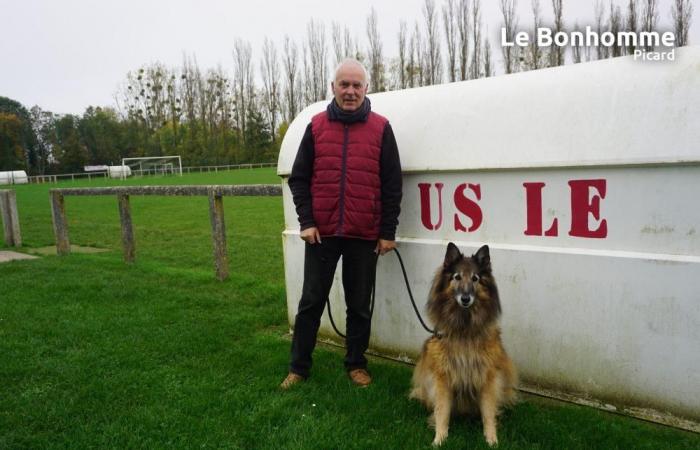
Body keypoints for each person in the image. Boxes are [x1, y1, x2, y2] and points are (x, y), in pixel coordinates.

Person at [280, 58, 402, 389]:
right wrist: (306, 221)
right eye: (344, 85)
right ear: (333, 88)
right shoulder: (316, 126)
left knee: (359, 306)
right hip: (322, 233)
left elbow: (392, 185)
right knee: (310, 303)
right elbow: (299, 178)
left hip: (364, 235)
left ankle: (356, 364)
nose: (350, 91)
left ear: (366, 88)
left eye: (356, 85)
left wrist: (387, 231)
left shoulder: (381, 128)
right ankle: (299, 367)